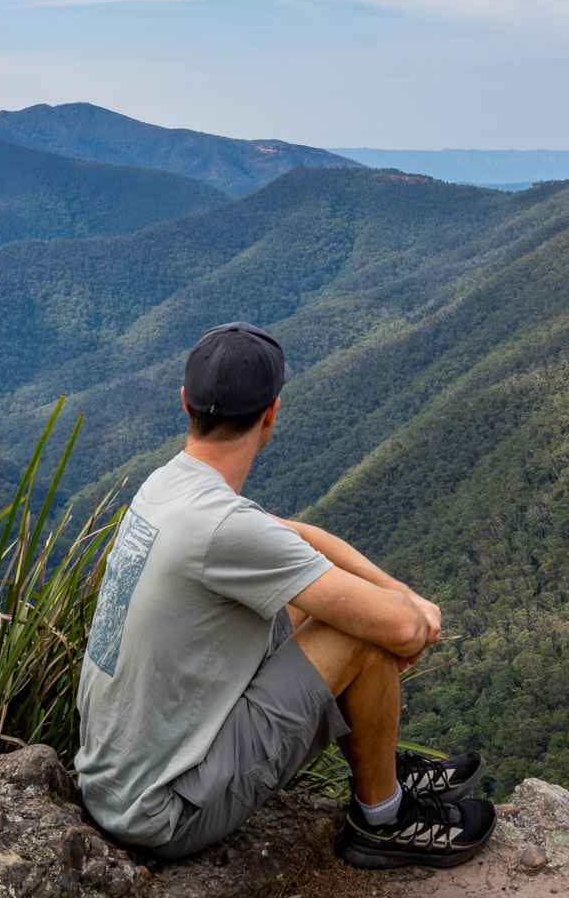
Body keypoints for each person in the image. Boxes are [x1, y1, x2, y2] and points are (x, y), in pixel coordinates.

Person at [76, 321, 495, 869]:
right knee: (361, 636)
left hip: (114, 781)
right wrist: (412, 613)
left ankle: (380, 762)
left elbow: (291, 534)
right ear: (271, 413)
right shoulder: (222, 526)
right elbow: (402, 631)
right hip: (165, 813)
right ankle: (383, 819)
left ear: (186, 403)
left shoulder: (167, 487)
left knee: (305, 601)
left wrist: (398, 592)